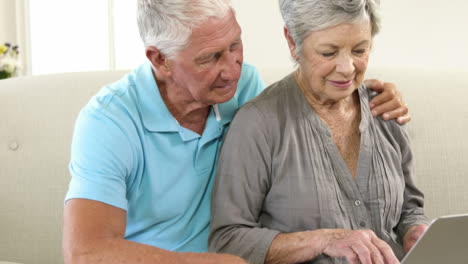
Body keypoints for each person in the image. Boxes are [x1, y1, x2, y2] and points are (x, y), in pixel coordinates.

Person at [62, 0, 411, 263]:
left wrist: (365, 95)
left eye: (235, 46)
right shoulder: (109, 122)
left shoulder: (243, 88)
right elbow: (85, 252)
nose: (231, 69)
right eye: (210, 58)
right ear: (160, 59)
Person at [208, 0, 429, 264]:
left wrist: (416, 231)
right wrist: (323, 240)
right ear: (292, 42)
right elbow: (228, 241)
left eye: (360, 50)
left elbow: (410, 209)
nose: (347, 68)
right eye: (328, 53)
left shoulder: (384, 107)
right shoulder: (257, 123)